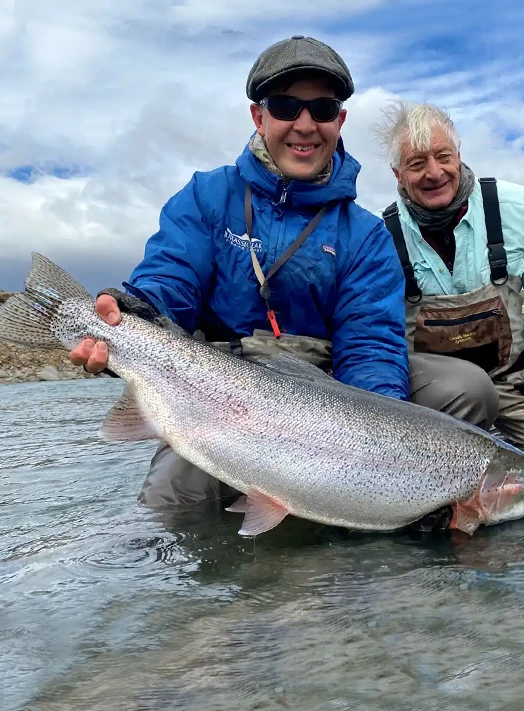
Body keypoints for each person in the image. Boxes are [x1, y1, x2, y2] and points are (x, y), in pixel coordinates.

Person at [70, 35, 418, 509]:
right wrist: (131, 311)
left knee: (463, 392)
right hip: (215, 388)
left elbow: (371, 346)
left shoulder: (366, 235)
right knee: (169, 508)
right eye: (285, 106)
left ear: (339, 121)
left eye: (321, 108)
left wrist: (380, 452)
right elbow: (170, 279)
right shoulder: (207, 196)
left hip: (327, 392)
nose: (304, 124)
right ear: (259, 116)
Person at [376, 100, 524, 447]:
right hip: (432, 395)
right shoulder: (379, 235)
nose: (434, 172)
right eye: (417, 163)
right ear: (397, 174)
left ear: (459, 152)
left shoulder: (515, 206)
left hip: (513, 379)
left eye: (444, 156)